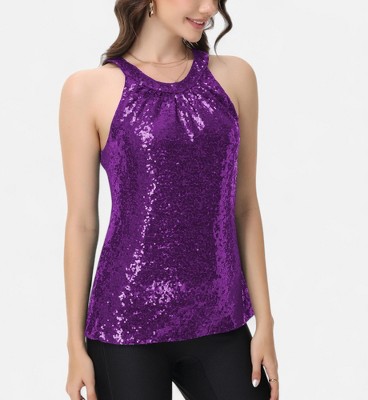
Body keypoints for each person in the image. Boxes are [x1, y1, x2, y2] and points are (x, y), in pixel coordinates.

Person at [59, 0, 279, 399]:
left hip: (219, 317)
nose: (208, 8)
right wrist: (75, 345)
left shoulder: (235, 77)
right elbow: (82, 223)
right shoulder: (88, 89)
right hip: (124, 324)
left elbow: (245, 206)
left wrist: (265, 322)